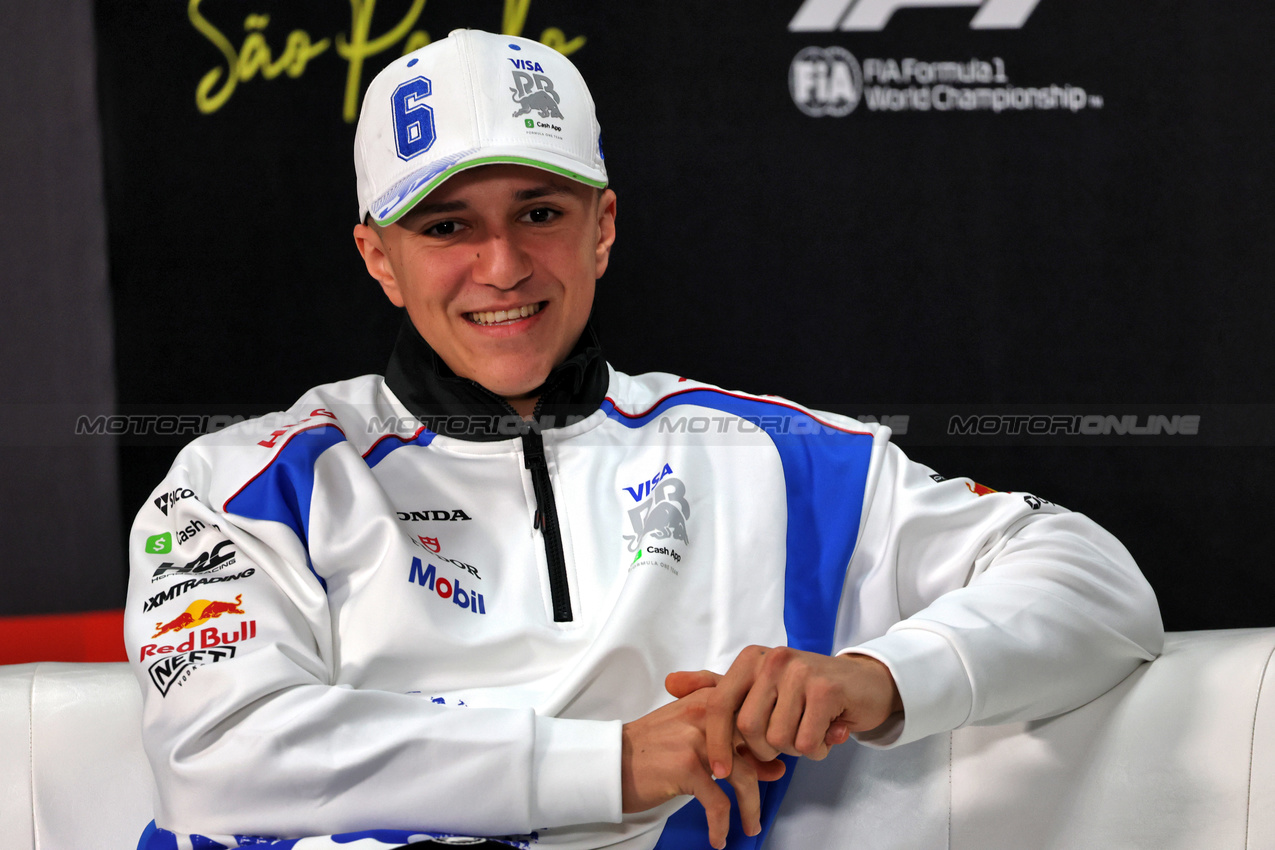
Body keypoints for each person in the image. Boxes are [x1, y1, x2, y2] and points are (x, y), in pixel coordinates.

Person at [124, 29, 1163, 850]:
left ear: (603, 226)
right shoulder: (244, 481)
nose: (500, 265)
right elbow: (218, 752)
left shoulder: (767, 455)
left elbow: (1096, 583)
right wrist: (622, 764)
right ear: (379, 257)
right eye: (445, 226)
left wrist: (876, 677)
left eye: (539, 211)